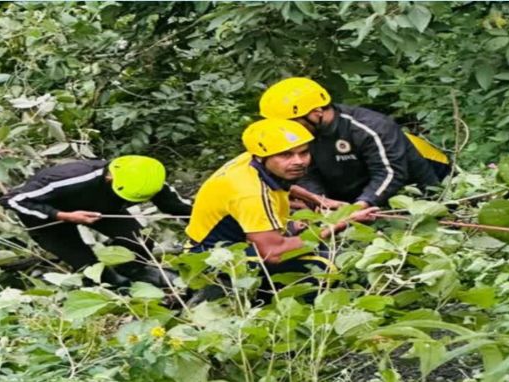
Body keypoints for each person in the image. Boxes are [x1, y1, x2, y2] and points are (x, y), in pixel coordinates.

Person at [185, 119, 378, 302]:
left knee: (312, 239)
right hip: (213, 255)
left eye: (303, 153)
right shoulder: (250, 194)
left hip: (235, 238)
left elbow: (283, 184)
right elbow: (274, 253)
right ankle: (288, 312)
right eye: (286, 155)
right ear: (262, 156)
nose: (299, 161)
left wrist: (318, 200)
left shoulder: (250, 160)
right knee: (323, 264)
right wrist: (345, 222)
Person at [1, 155, 192, 287]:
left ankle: (133, 273)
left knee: (140, 242)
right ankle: (113, 287)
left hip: (100, 209)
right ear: (110, 178)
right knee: (89, 266)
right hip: (47, 216)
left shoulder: (148, 180)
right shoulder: (71, 178)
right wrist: (62, 215)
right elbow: (12, 200)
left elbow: (177, 207)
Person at [259, 77, 451, 208]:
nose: (288, 129)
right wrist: (320, 202)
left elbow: (390, 173)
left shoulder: (370, 127)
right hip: (358, 188)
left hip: (421, 183)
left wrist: (362, 204)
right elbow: (308, 173)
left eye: (291, 122)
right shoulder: (304, 134)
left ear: (316, 112)